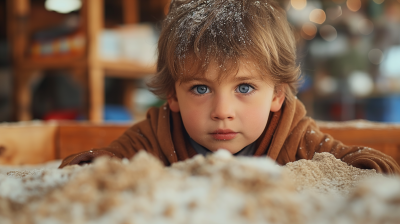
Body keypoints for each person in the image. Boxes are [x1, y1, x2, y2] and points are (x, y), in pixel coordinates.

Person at [59, 0, 400, 174]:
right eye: (201, 89)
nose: (222, 112)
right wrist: (101, 168)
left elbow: (362, 162)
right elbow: (88, 167)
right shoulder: (157, 133)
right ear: (173, 95)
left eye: (245, 88)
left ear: (277, 95)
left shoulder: (294, 134)